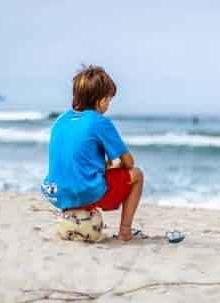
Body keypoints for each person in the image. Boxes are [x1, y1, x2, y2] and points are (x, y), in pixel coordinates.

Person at [41, 65, 144, 241]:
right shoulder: (100, 122)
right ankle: (125, 231)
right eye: (109, 100)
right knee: (137, 175)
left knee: (86, 174)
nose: (108, 105)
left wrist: (107, 165)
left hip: (56, 193)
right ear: (101, 100)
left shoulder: (60, 119)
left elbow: (78, 159)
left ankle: (72, 214)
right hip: (84, 192)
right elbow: (129, 163)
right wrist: (117, 165)